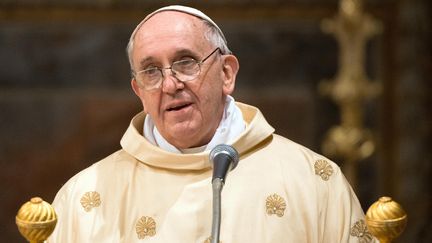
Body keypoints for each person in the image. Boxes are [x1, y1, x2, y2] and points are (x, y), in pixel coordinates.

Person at [48, 5, 374, 243]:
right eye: (151, 71)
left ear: (227, 73)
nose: (169, 84)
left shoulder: (314, 182)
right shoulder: (83, 199)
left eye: (185, 62)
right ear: (138, 91)